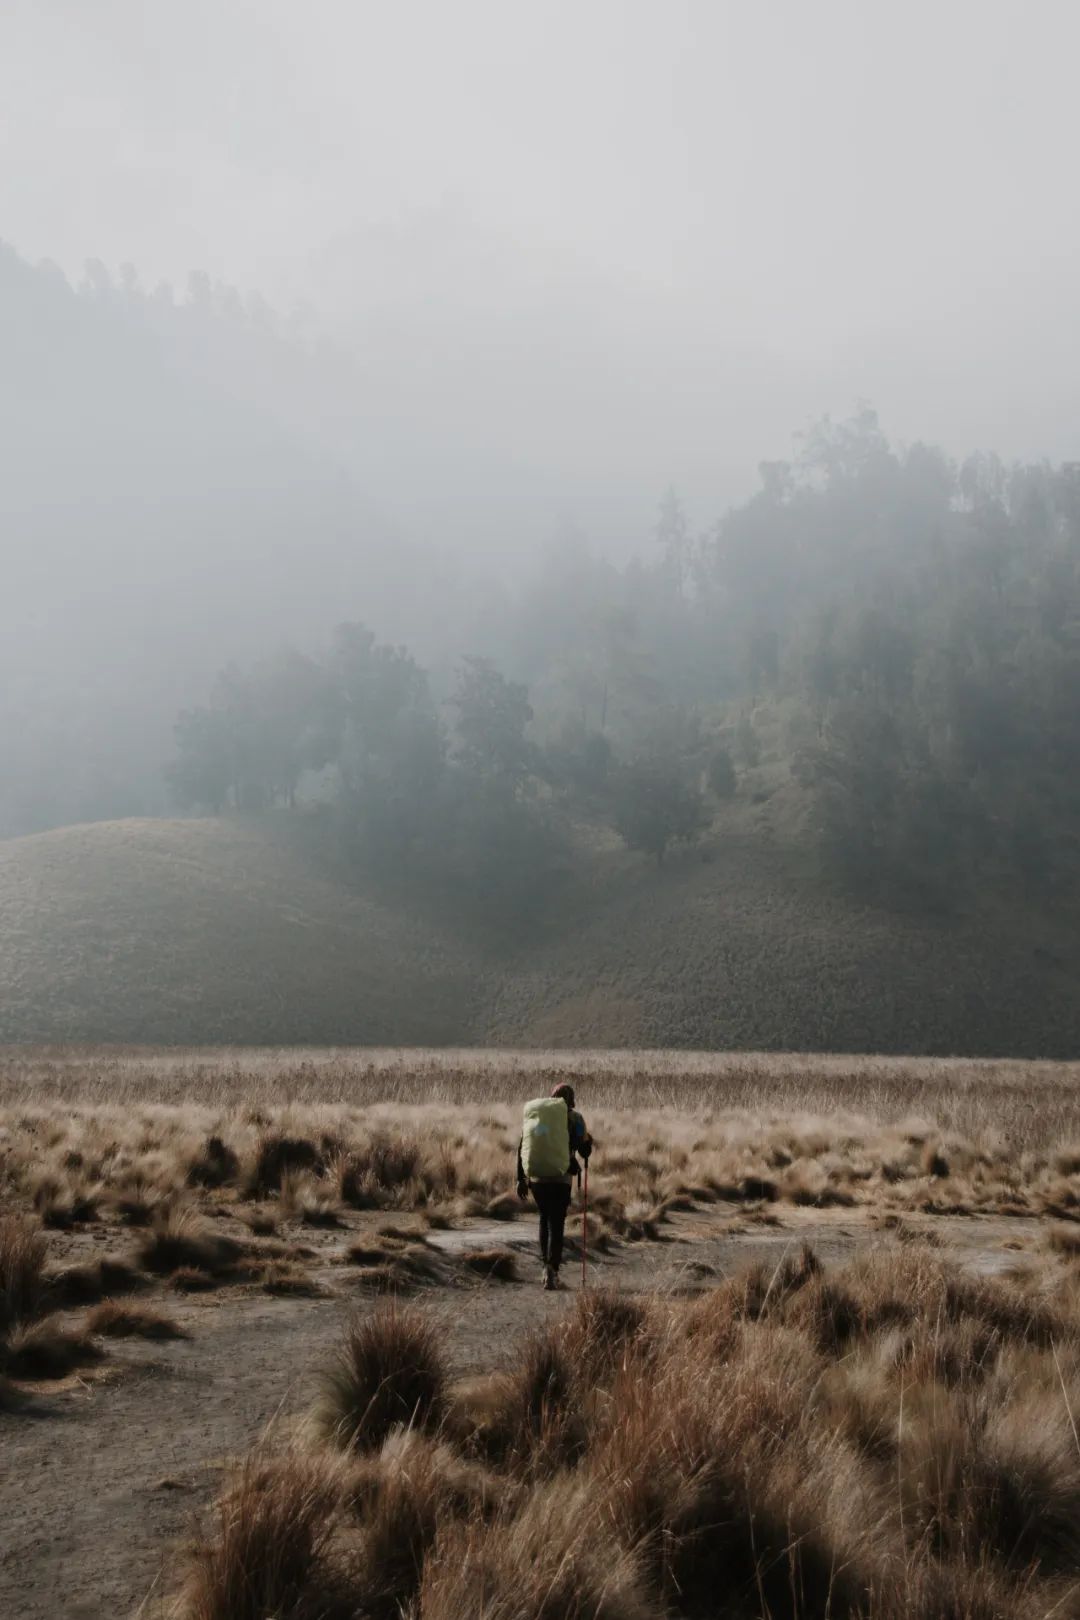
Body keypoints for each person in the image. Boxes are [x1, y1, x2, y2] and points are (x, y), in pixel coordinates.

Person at [517, 1082, 592, 1290]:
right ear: (571, 1099)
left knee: (543, 1219)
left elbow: (522, 1146)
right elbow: (585, 1150)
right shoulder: (575, 1118)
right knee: (556, 1224)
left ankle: (544, 1267)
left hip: (537, 1179)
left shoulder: (540, 1116)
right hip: (561, 1179)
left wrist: (520, 1179)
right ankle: (553, 1270)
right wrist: (587, 1143)